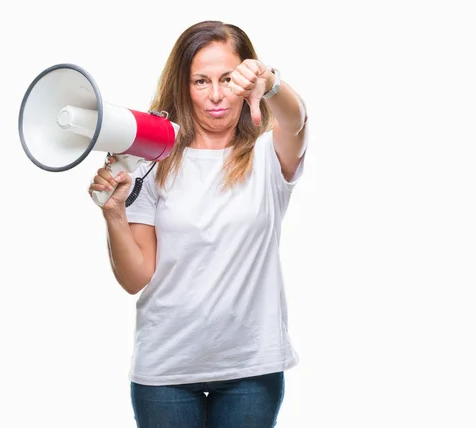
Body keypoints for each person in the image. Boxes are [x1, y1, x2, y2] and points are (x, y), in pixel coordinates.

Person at [89, 20, 308, 428]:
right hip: (166, 369)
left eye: (229, 78)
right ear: (183, 86)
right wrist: (114, 213)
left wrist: (271, 82)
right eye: (201, 81)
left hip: (250, 367)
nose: (217, 96)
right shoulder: (153, 159)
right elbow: (136, 276)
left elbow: (296, 121)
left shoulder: (267, 153)